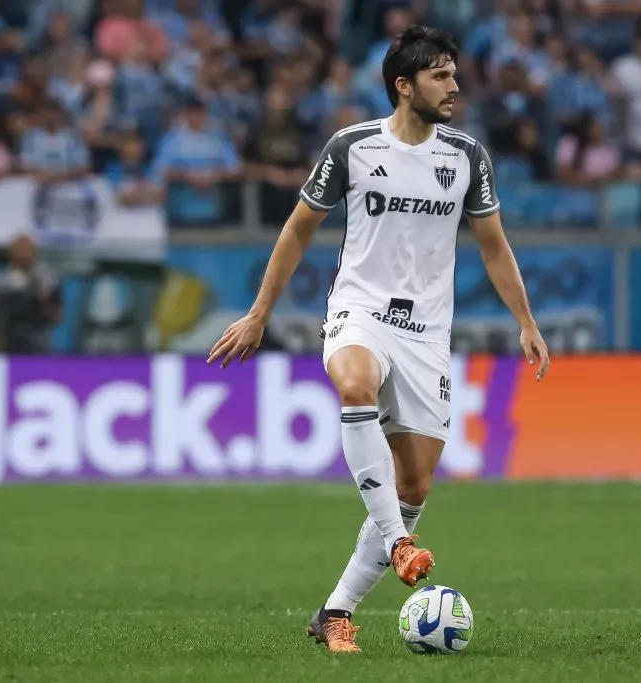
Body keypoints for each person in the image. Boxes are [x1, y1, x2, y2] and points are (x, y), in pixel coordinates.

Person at [206, 25, 551, 654]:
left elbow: (494, 246)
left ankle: (334, 613)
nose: (454, 85)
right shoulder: (352, 147)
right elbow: (298, 228)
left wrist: (526, 320)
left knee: (413, 487)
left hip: (428, 335)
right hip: (360, 311)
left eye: (454, 73)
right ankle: (398, 543)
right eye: (440, 75)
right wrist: (259, 313)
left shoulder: (467, 157)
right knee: (356, 382)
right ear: (404, 85)